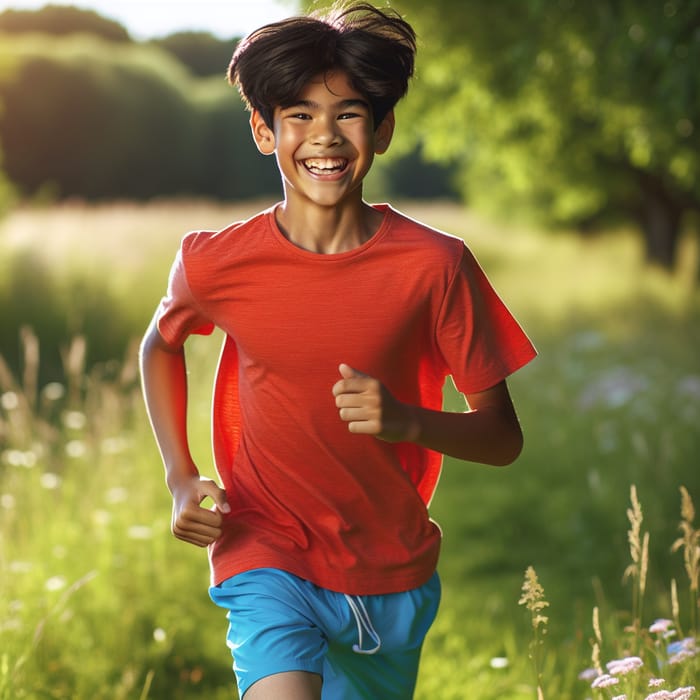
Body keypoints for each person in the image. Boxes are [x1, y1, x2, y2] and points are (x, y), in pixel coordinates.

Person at [139, 2, 537, 698]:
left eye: (349, 113)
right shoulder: (213, 263)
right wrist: (180, 474)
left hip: (391, 571)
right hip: (264, 549)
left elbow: (503, 438)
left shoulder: (435, 266)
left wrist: (408, 421)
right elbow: (160, 345)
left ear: (382, 129)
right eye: (299, 114)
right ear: (264, 130)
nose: (325, 136)